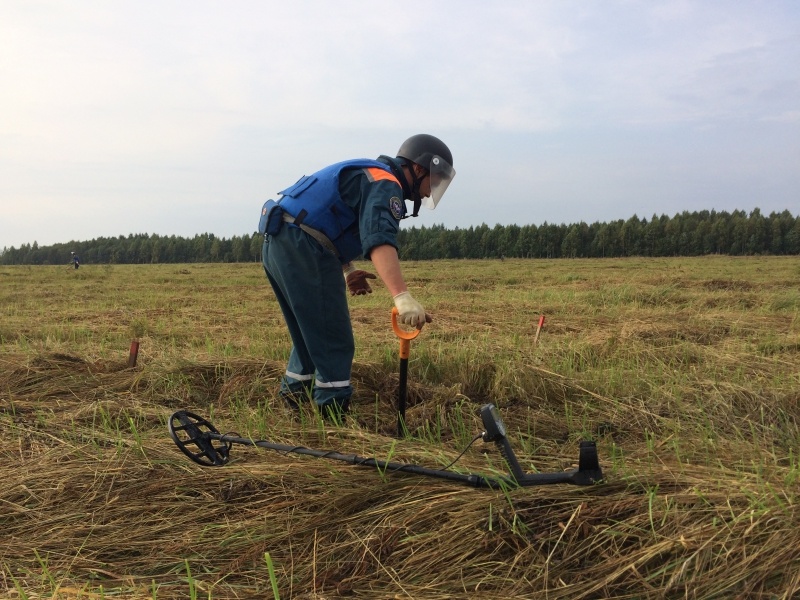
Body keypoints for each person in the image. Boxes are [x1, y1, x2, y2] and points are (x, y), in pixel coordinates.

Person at [259, 134, 455, 422]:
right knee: (333, 339)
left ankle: (293, 407)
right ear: (418, 168)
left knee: (309, 336)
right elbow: (379, 240)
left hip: (280, 242)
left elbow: (323, 220)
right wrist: (402, 297)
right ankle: (333, 418)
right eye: (434, 182)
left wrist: (348, 269)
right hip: (303, 247)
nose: (430, 192)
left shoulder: (370, 174)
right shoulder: (386, 183)